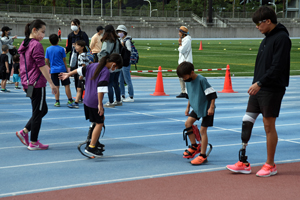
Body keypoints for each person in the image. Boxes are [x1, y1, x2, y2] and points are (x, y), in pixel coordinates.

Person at [226, 6, 291, 177]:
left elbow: (278, 67)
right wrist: (257, 83)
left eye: (258, 23)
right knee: (247, 120)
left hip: (271, 88)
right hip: (259, 87)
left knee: (269, 126)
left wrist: (260, 82)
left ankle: (270, 165)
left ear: (268, 21)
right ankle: (243, 161)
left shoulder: (282, 38)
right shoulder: (267, 38)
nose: (257, 26)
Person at [59, 53, 123, 157]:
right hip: (94, 100)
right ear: (113, 64)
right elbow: (100, 90)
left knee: (97, 120)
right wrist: (100, 105)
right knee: (99, 122)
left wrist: (68, 74)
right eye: (115, 67)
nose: (114, 69)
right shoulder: (105, 72)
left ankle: (93, 140)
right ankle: (91, 146)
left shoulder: (93, 65)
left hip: (87, 99)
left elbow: (80, 70)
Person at [16, 19, 57, 150]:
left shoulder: (25, 43)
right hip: (36, 83)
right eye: (43, 32)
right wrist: (51, 83)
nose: (44, 35)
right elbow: (41, 65)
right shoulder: (36, 45)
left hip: (27, 82)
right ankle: (33, 142)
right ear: (34, 30)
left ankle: (24, 131)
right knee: (38, 111)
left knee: (41, 110)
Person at [177, 61, 217, 165]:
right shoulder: (188, 81)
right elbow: (190, 95)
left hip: (207, 108)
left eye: (184, 77)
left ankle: (203, 155)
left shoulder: (201, 80)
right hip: (197, 107)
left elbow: (212, 95)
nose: (183, 79)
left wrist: (211, 108)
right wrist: (187, 108)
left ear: (191, 72)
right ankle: (194, 146)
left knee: (203, 130)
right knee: (187, 124)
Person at [45, 34, 74, 107]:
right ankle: (70, 100)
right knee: (66, 85)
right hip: (62, 69)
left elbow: (46, 60)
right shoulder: (61, 49)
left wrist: (50, 66)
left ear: (49, 41)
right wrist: (66, 70)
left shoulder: (48, 49)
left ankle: (57, 101)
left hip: (54, 70)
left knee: (56, 86)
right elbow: (64, 60)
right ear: (58, 41)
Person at [97, 25, 121, 108]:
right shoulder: (117, 40)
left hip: (110, 65)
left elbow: (104, 53)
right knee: (115, 83)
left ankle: (111, 102)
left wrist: (99, 57)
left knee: (109, 84)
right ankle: (118, 100)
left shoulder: (107, 41)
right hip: (117, 64)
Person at [65, 19, 89, 92]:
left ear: (78, 25)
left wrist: (78, 46)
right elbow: (68, 47)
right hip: (74, 58)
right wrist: (65, 50)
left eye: (74, 24)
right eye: (72, 24)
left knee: (83, 75)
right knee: (76, 77)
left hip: (82, 58)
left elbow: (87, 46)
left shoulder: (83, 34)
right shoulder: (70, 35)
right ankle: (78, 93)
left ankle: (85, 93)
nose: (73, 26)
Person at [116, 25, 134, 103]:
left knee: (127, 79)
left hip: (126, 62)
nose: (119, 33)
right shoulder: (121, 40)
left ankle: (131, 96)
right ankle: (122, 95)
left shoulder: (127, 41)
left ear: (124, 32)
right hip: (121, 62)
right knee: (121, 79)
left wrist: (123, 46)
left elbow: (129, 51)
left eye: (120, 31)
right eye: (118, 31)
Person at [71, 40, 92, 108]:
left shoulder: (81, 56)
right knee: (79, 89)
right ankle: (76, 102)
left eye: (77, 46)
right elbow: (90, 63)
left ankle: (81, 102)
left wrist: (81, 75)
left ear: (82, 47)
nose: (76, 47)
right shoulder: (85, 54)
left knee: (82, 89)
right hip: (85, 75)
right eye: (75, 45)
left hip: (83, 75)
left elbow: (83, 66)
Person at [176, 26, 192, 98]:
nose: (179, 33)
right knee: (181, 77)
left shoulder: (187, 40)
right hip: (182, 61)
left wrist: (179, 44)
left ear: (183, 33)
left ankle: (187, 92)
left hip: (186, 62)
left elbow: (182, 50)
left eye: (180, 32)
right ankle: (184, 91)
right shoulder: (184, 39)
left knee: (186, 77)